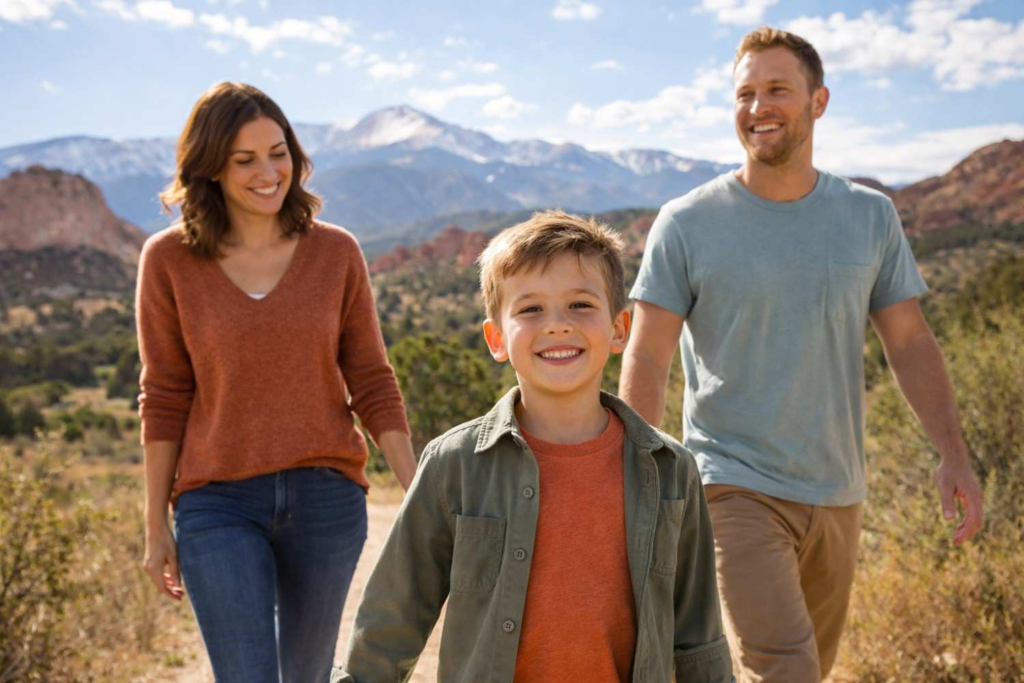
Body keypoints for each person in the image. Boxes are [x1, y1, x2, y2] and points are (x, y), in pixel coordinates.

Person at [618, 26, 984, 683]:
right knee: (785, 668)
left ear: (818, 101)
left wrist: (953, 452)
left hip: (839, 490)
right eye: (745, 93)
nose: (757, 107)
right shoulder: (687, 222)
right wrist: (639, 476)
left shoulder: (869, 216)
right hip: (730, 482)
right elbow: (647, 355)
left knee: (808, 668)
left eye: (776, 90)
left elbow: (909, 341)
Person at [331, 211, 732, 682]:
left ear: (619, 327)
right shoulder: (454, 465)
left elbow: (698, 633)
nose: (557, 325)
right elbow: (389, 624)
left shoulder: (670, 470)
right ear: (496, 338)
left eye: (581, 304)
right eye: (530, 309)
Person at [136, 81, 417, 683]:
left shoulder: (335, 252)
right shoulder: (168, 262)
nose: (268, 172)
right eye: (245, 160)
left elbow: (370, 377)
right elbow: (163, 395)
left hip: (326, 498)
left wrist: (415, 487)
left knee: (307, 674)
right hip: (217, 501)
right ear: (210, 168)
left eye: (278, 152)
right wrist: (156, 522)